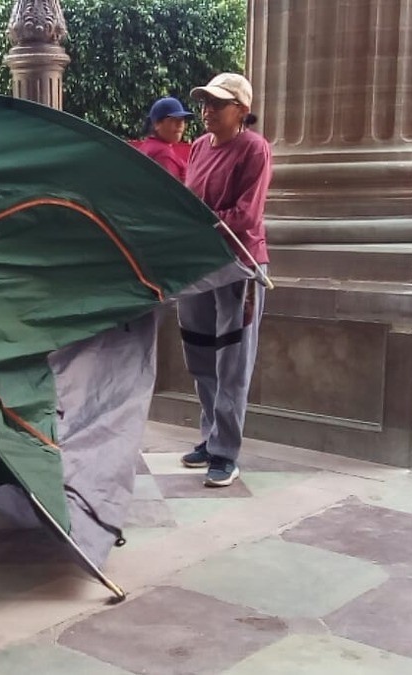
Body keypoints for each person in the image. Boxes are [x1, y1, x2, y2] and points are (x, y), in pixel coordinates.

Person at [176, 73, 273, 487]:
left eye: (218, 103)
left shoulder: (254, 148)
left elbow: (246, 215)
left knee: (231, 360)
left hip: (239, 265)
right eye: (204, 102)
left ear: (242, 111)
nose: (207, 110)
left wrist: (197, 225)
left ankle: (225, 451)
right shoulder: (198, 146)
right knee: (200, 354)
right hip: (197, 264)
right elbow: (187, 201)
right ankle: (210, 436)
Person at [138, 96, 195, 181]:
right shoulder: (163, 154)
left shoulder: (148, 146)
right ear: (157, 124)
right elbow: (170, 191)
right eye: (174, 119)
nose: (180, 125)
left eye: (182, 120)